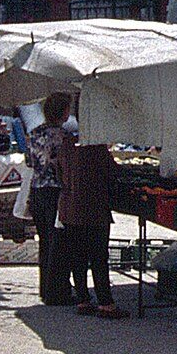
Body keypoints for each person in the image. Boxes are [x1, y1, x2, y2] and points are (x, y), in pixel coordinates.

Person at [58, 139, 125, 319]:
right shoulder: (97, 149)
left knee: (77, 257)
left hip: (69, 208)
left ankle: (83, 300)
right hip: (94, 210)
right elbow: (113, 173)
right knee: (98, 258)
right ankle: (105, 303)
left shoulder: (66, 145)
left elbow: (58, 172)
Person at [25, 92, 75, 307]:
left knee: (45, 241)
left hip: (37, 191)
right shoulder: (63, 137)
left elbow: (30, 162)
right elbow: (64, 166)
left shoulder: (34, 133)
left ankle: (46, 288)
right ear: (63, 112)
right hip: (55, 192)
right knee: (59, 243)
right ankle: (58, 291)